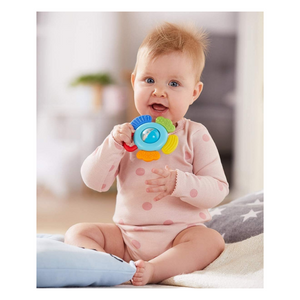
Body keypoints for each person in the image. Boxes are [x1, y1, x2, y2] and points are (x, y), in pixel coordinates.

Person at [64, 22, 229, 286]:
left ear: (194, 92)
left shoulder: (195, 135)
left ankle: (153, 269)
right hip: (127, 238)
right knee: (77, 232)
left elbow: (218, 190)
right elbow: (95, 182)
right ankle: (111, 266)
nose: (159, 91)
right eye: (149, 80)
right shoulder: (126, 136)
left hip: (180, 236)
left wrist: (179, 182)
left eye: (174, 83)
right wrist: (112, 145)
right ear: (134, 81)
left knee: (211, 241)